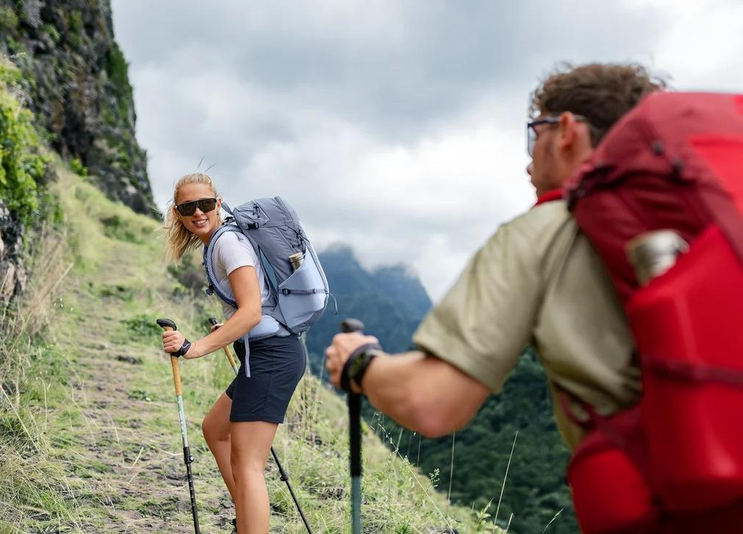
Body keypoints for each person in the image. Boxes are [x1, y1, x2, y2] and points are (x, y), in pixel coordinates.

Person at [324, 63, 665, 450]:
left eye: (536, 134)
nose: (529, 162)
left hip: (676, 497)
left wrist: (360, 362)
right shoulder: (711, 225)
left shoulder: (546, 231)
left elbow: (431, 400)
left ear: (567, 131)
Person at [162, 173, 307, 534]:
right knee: (215, 429)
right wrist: (229, 336)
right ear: (177, 212)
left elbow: (252, 311)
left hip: (274, 356)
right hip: (260, 354)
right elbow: (250, 313)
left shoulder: (228, 244)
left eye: (205, 204)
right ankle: (246, 518)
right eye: (187, 207)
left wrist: (194, 348)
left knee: (248, 463)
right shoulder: (217, 243)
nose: (198, 212)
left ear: (219, 203)